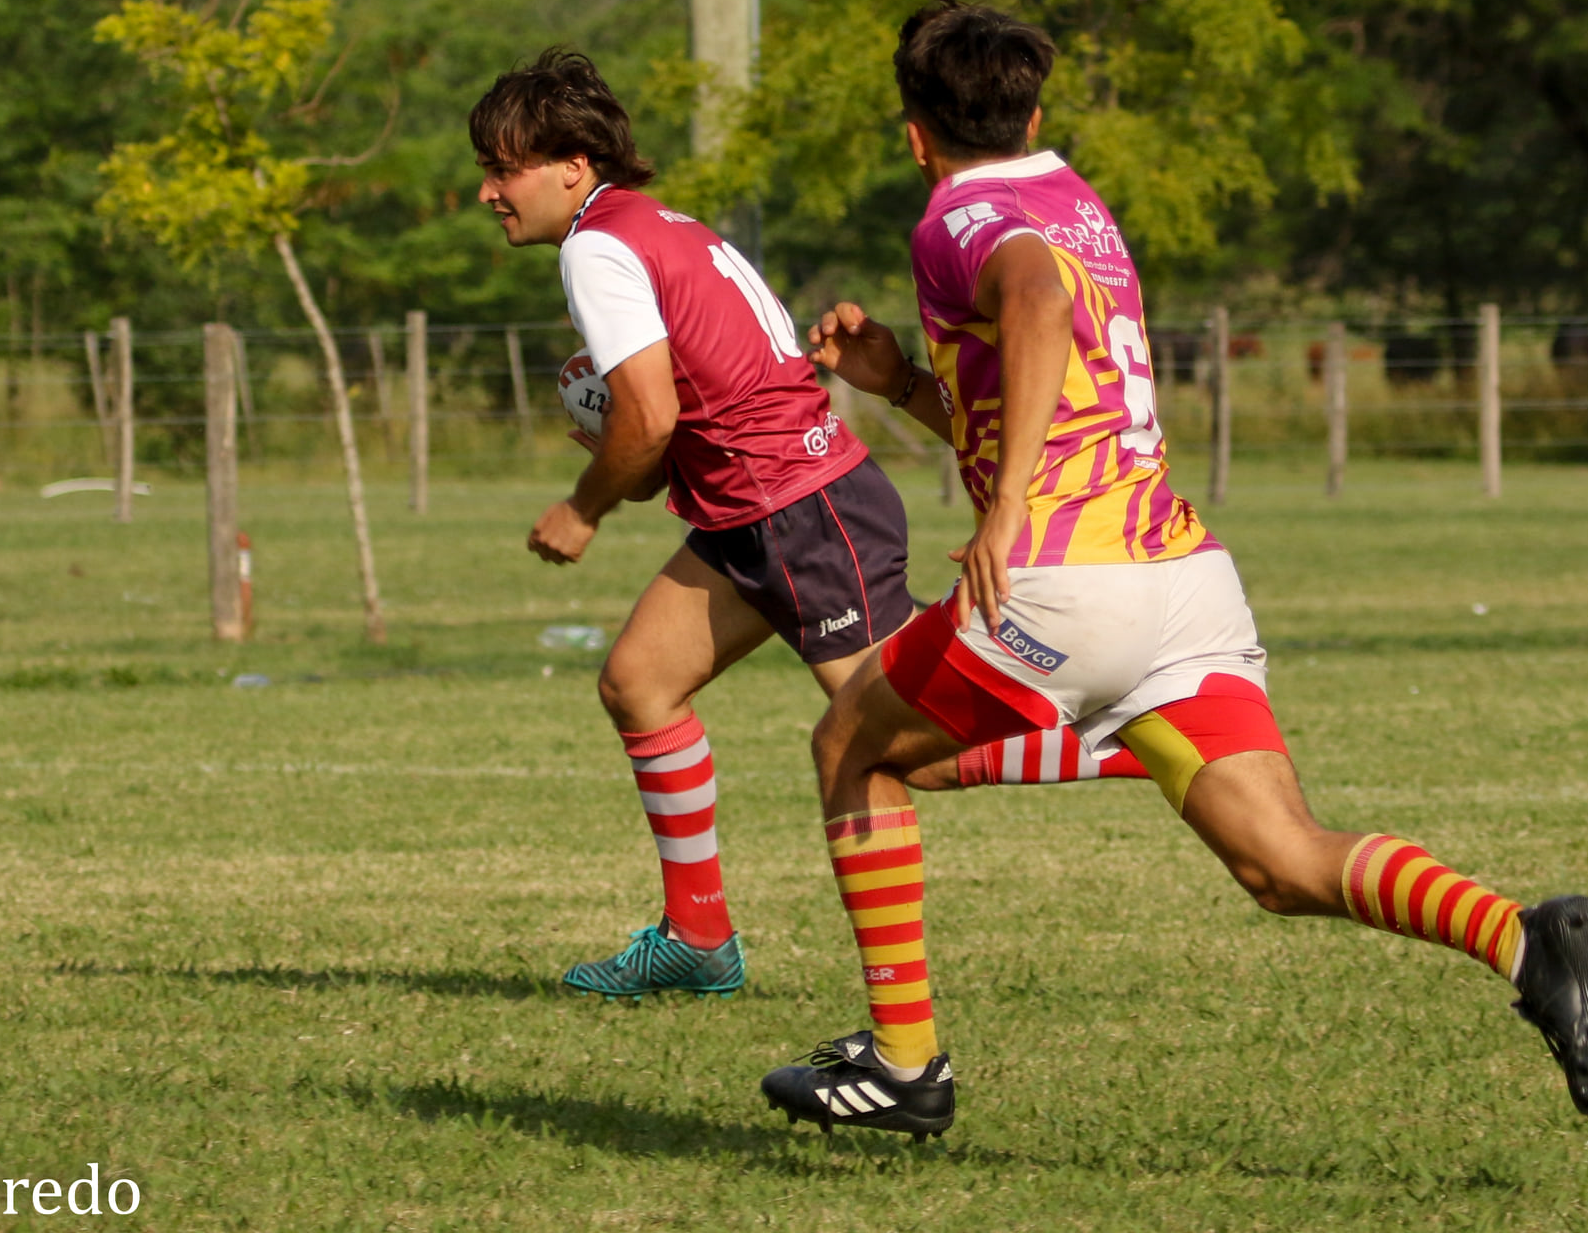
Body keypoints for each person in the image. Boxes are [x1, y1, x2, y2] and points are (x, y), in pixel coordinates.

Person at [757, 0, 1588, 1139]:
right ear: (1034, 114)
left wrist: (1008, 509)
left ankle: (905, 1064)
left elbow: (1031, 300)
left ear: (915, 133)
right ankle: (1526, 941)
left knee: (851, 746)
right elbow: (1053, 383)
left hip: (1068, 588)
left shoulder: (959, 214)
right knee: (1282, 862)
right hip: (1180, 578)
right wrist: (906, 386)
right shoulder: (1078, 205)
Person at [467, 50, 1134, 1000]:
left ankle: (1140, 740)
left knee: (910, 750)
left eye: (504, 169)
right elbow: (683, 411)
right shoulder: (656, 224)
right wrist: (634, 447)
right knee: (639, 683)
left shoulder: (596, 247)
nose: (489, 192)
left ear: (573, 166)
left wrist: (584, 507)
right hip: (764, 508)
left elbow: (650, 419)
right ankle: (698, 940)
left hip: (802, 512)